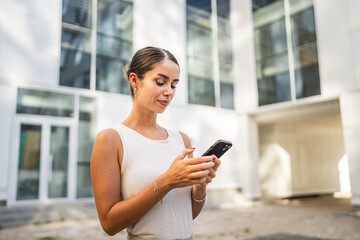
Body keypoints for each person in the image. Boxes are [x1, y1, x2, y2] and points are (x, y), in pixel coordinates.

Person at [90, 46, 221, 240]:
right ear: (135, 80)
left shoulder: (182, 140)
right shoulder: (112, 139)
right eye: (160, 82)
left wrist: (200, 186)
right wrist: (167, 181)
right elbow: (109, 224)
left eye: (174, 85)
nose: (169, 92)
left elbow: (188, 215)